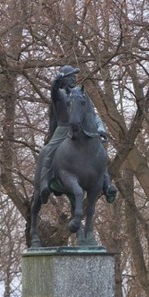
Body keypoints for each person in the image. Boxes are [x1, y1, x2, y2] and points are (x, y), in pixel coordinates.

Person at [39, 65, 117, 204]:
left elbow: (92, 114)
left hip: (81, 129)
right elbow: (53, 91)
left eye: (74, 77)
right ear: (64, 79)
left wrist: (101, 128)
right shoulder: (60, 94)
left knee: (98, 149)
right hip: (63, 129)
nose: (73, 79)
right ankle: (45, 182)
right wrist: (57, 80)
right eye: (70, 77)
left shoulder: (81, 94)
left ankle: (106, 184)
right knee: (48, 150)